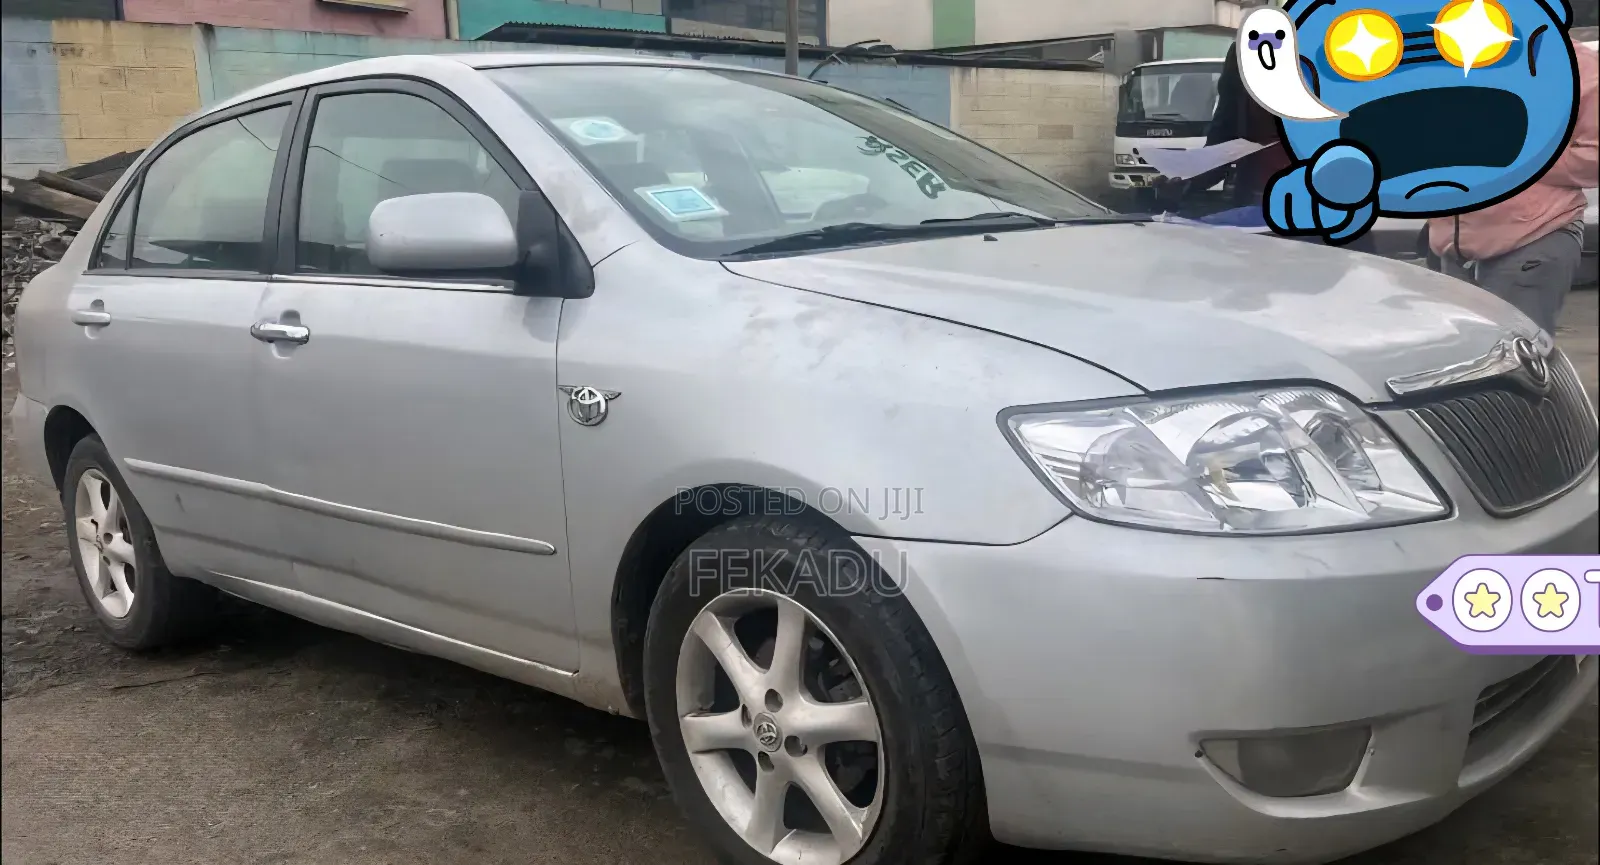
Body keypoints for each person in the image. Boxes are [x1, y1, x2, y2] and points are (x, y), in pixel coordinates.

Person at [1429, 39, 1598, 335]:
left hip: (1533, 237)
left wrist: (1517, 157)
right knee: (1464, 362)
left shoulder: (1574, 65)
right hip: (1453, 248)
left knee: (1515, 361)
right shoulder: (1446, 58)